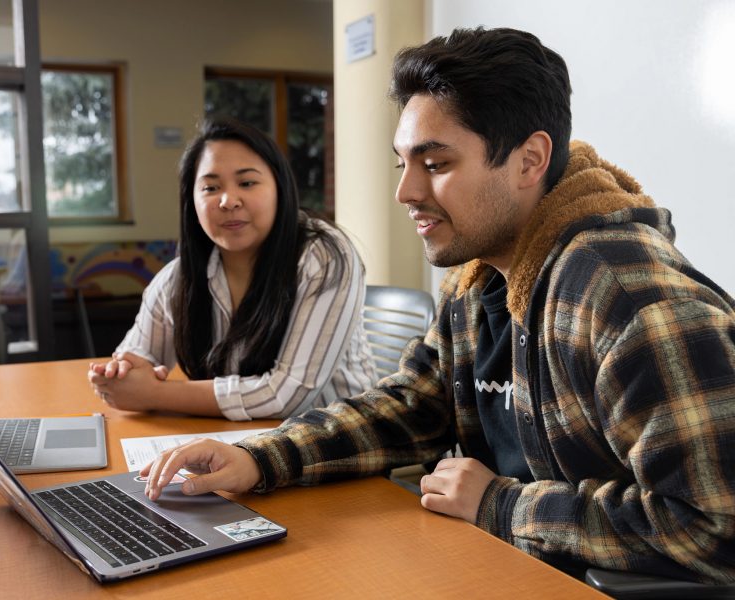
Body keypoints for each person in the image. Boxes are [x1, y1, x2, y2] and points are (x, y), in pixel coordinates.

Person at [140, 28, 735, 583]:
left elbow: (717, 526)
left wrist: (501, 504)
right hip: (496, 569)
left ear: (529, 160)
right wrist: (261, 458)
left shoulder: (625, 297)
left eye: (436, 164)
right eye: (403, 164)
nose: (406, 192)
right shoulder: (478, 277)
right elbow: (410, 410)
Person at [88, 117, 376, 420]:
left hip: (337, 445)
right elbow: (138, 354)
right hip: (239, 441)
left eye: (247, 182)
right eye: (211, 187)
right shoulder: (180, 276)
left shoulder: (325, 257)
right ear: (192, 201)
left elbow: (286, 396)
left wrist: (154, 393)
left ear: (279, 187)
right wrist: (123, 372)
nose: (228, 201)